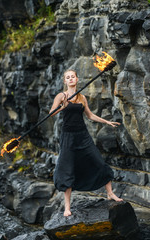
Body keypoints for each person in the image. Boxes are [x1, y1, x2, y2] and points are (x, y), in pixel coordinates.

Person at [50, 69, 123, 217]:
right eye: (68, 77)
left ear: (77, 79)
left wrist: (107, 122)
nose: (70, 79)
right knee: (67, 169)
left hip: (83, 135)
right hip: (68, 137)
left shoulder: (82, 97)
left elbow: (90, 115)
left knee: (99, 162)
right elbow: (51, 113)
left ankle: (110, 193)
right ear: (65, 81)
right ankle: (67, 208)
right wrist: (61, 107)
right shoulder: (61, 96)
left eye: (73, 77)